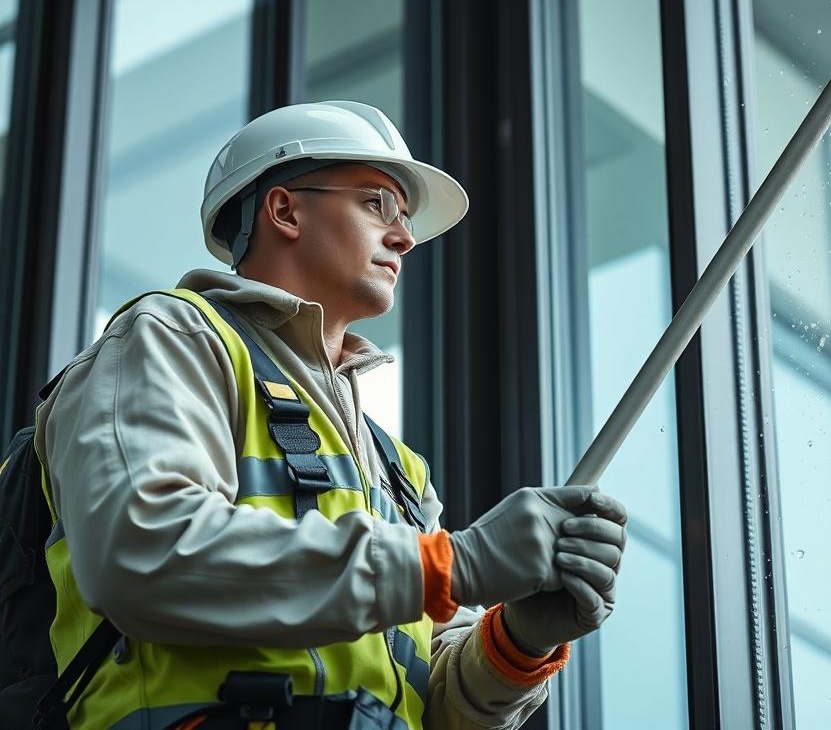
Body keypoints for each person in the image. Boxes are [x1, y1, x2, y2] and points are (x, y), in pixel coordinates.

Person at [35, 100, 628, 729]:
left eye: (404, 217)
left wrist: (515, 644)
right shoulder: (174, 336)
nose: (403, 236)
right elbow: (141, 551)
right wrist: (450, 566)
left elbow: (433, 707)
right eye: (377, 204)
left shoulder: (397, 469)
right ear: (285, 209)